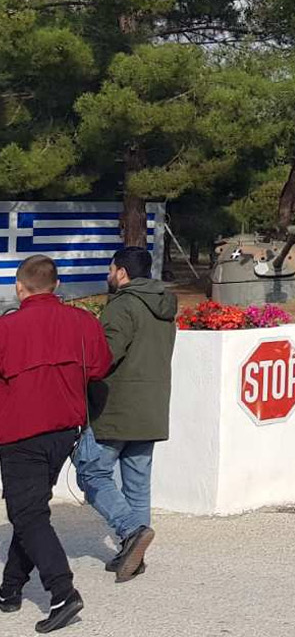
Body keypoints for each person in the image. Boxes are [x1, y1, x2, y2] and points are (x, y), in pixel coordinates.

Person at [0, 255, 113, 633]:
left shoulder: (7, 328)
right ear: (57, 284)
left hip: (20, 433)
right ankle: (10, 589)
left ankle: (62, 591)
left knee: (27, 513)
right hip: (65, 431)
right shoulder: (83, 322)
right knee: (28, 507)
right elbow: (99, 368)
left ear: (20, 286)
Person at [76, 246, 176, 585]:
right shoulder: (164, 306)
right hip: (151, 405)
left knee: (91, 473)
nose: (108, 274)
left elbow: (105, 357)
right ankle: (135, 556)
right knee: (137, 482)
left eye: (110, 268)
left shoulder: (122, 306)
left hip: (116, 406)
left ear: (121, 272)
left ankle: (131, 531)